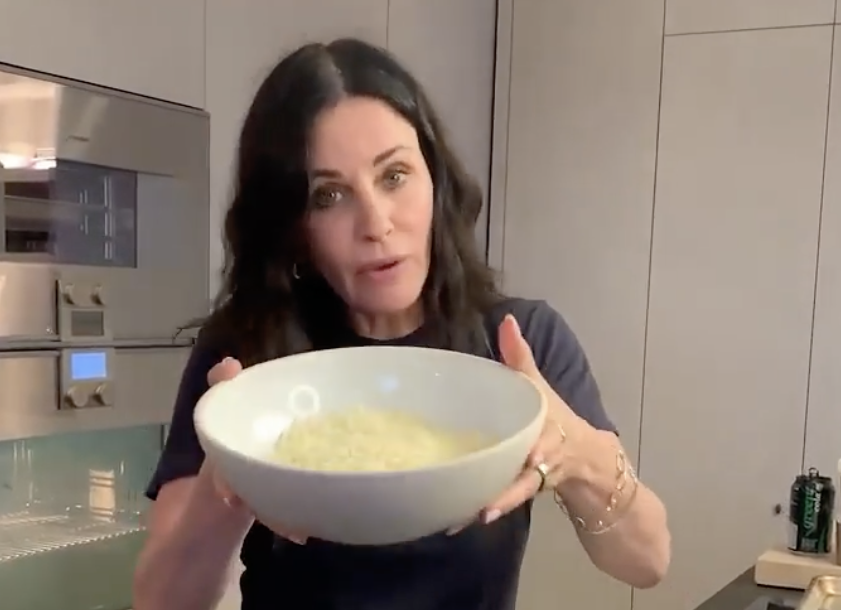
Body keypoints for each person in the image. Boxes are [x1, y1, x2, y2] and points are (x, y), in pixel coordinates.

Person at [132, 38, 671, 610]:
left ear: (435, 179)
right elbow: (160, 604)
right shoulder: (245, 360)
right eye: (328, 195)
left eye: (394, 176)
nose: (376, 223)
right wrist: (226, 482)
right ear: (292, 225)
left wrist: (576, 451)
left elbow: (647, 560)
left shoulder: (521, 341)